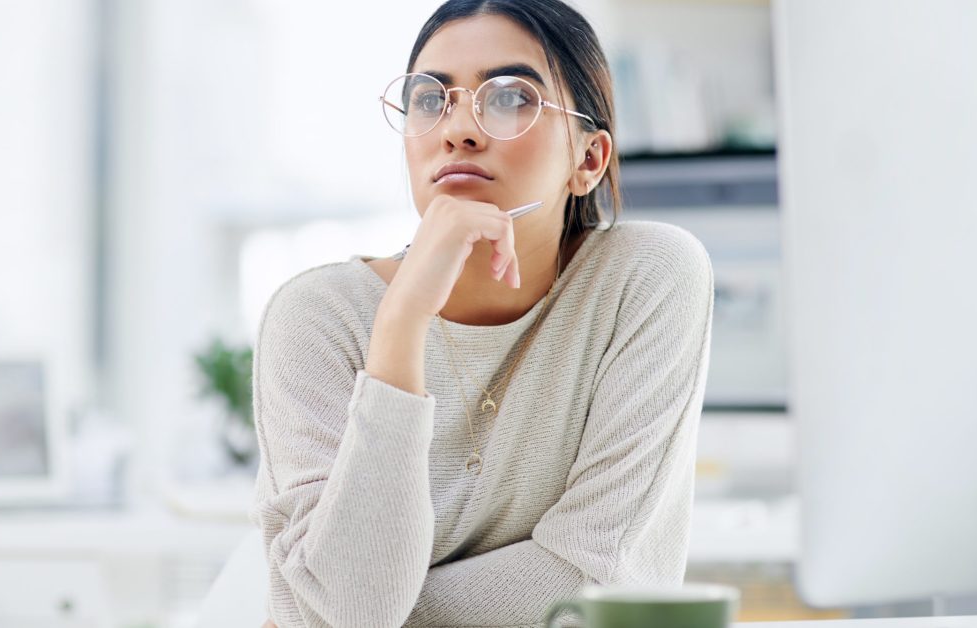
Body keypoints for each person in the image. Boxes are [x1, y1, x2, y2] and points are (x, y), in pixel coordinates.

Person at [249, 1, 715, 626]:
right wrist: (402, 322)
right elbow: (350, 613)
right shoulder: (316, 317)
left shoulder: (645, 277)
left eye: (510, 98)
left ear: (589, 161)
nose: (458, 129)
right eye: (429, 99)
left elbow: (599, 576)